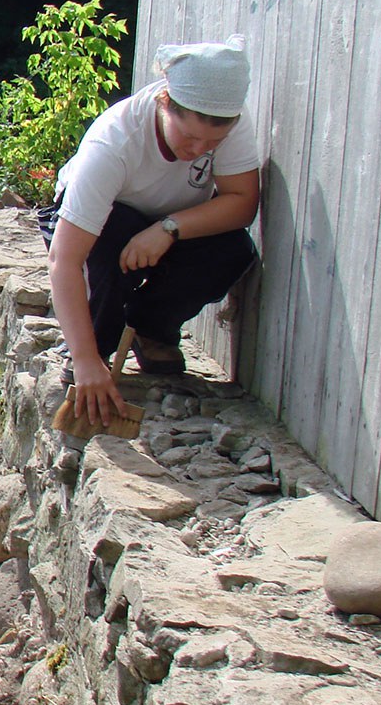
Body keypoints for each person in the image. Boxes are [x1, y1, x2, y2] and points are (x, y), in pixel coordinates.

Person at [40, 36, 261, 427]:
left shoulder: (226, 123)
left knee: (232, 249)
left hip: (167, 224)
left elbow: (241, 202)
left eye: (213, 143)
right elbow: (65, 260)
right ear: (164, 103)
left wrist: (168, 228)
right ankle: (95, 347)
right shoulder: (114, 143)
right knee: (114, 235)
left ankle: (152, 329)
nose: (200, 149)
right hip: (99, 229)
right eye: (189, 137)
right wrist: (88, 358)